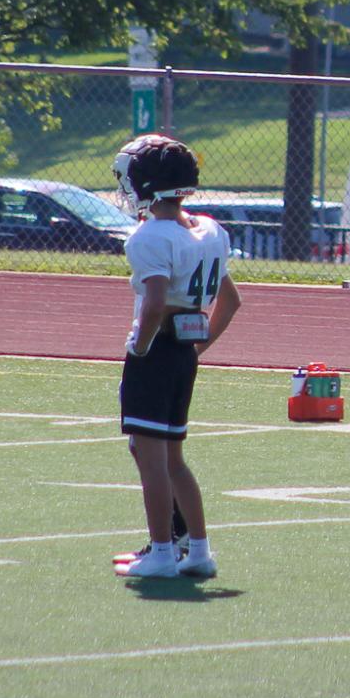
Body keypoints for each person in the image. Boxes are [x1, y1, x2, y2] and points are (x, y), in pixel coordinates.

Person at [113, 135, 239, 580]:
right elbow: (231, 301)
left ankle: (163, 552)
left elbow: (153, 304)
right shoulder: (208, 229)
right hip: (183, 352)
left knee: (150, 461)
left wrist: (139, 347)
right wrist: (196, 348)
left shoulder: (150, 236)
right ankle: (198, 549)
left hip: (158, 353)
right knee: (173, 459)